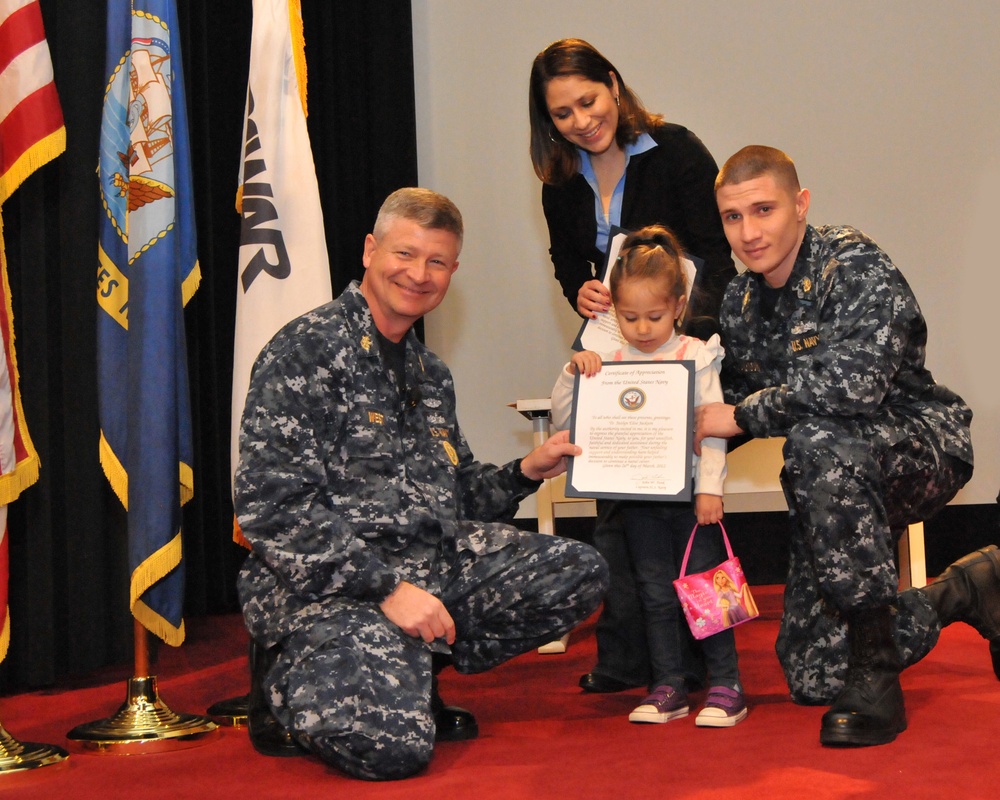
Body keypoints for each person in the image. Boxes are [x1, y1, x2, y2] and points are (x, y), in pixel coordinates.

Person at [234, 187, 609, 780]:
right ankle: (283, 681)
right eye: (405, 254)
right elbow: (272, 510)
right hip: (331, 586)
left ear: (452, 271)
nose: (419, 274)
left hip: (421, 568)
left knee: (577, 570)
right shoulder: (306, 350)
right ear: (369, 250)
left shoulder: (429, 373)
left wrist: (523, 474)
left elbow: (451, 496)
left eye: (437, 262)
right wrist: (386, 589)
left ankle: (409, 665)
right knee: (394, 752)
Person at [696, 144, 1000, 747]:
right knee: (813, 676)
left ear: (801, 205)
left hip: (921, 444)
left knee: (816, 441)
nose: (750, 232)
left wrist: (744, 415)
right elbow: (720, 402)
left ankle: (878, 677)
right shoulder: (739, 300)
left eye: (764, 210)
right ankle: (966, 589)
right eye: (734, 217)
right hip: (833, 482)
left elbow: (852, 388)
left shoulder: (851, 262)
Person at [529, 36, 737, 696]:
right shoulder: (560, 181)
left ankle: (711, 665)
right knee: (619, 515)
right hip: (612, 353)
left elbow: (717, 253)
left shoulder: (676, 150)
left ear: (614, 86)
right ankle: (633, 660)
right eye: (562, 113)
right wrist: (585, 294)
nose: (581, 120)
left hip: (682, 352)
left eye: (587, 100)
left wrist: (679, 339)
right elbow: (569, 266)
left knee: (691, 516)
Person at [551, 226, 746, 727]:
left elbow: (714, 429)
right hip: (637, 500)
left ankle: (727, 685)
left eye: (654, 316)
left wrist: (709, 489)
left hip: (690, 501)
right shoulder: (608, 362)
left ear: (678, 305)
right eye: (629, 316)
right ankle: (668, 686)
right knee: (654, 594)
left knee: (708, 590)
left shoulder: (697, 355)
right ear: (612, 310)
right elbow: (564, 419)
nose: (641, 328)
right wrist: (575, 372)